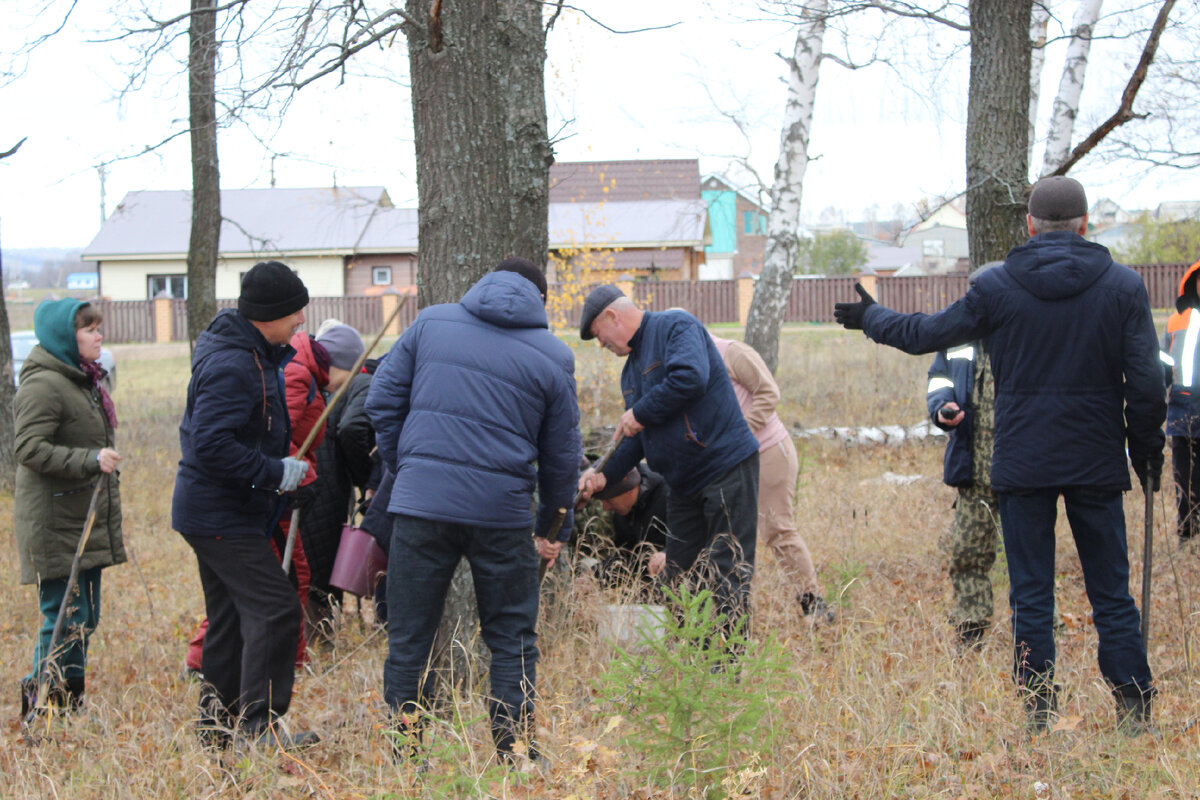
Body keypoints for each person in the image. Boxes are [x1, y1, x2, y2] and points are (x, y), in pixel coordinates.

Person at [833, 176, 1165, 735]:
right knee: (1111, 592)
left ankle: (1039, 711)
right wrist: (1146, 449)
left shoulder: (999, 286)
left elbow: (927, 333)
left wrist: (872, 318)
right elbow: (1148, 384)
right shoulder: (1124, 287)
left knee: (1031, 593)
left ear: (1030, 225)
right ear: (1086, 224)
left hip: (1024, 462)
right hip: (1095, 461)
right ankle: (1133, 708)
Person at [365, 257, 581, 764]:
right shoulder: (553, 355)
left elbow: (381, 402)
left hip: (420, 509)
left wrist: (410, 469)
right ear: (540, 302)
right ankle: (517, 755)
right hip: (501, 516)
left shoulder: (431, 322)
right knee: (511, 638)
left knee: (410, 636)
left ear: (482, 283)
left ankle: (405, 758)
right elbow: (561, 458)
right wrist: (554, 525)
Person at [172, 260, 318, 750]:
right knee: (276, 609)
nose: (301, 320)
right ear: (269, 314)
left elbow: (247, 437)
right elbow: (209, 445)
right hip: (218, 514)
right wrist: (274, 473)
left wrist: (281, 480)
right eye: (294, 312)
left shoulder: (257, 354)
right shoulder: (234, 364)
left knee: (232, 617)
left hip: (228, 508)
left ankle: (217, 730)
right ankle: (258, 730)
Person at [576, 287, 760, 643]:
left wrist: (640, 413)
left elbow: (690, 377)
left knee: (727, 567)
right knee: (677, 571)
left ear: (613, 317)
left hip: (724, 466)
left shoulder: (676, 326)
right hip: (683, 483)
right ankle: (692, 657)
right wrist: (601, 476)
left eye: (599, 336)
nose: (602, 346)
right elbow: (637, 439)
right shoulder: (630, 374)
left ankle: (724, 670)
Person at [15, 298, 124, 720]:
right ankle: (40, 709)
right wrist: (89, 459)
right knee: (61, 617)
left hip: (80, 516)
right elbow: (27, 448)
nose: (99, 336)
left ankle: (68, 706)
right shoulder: (44, 385)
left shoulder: (82, 379)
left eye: (98, 328)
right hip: (54, 522)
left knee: (83, 617)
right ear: (66, 337)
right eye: (90, 330)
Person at [710, 333, 835, 624]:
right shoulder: (689, 362)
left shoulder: (732, 352)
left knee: (777, 528)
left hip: (767, 451)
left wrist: (740, 433)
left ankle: (813, 604)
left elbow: (769, 393)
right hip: (732, 460)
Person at [925, 264, 1002, 650]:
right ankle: (970, 633)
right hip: (972, 471)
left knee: (1030, 561)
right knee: (968, 555)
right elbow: (938, 380)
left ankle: (1040, 633)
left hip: (1020, 472)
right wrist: (942, 408)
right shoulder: (958, 335)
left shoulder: (1022, 331)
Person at [300, 321, 373, 641]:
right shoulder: (342, 387)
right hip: (321, 488)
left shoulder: (319, 387)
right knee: (318, 568)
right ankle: (316, 640)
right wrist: (366, 478)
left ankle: (316, 638)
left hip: (313, 485)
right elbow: (352, 429)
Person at [1160, 257, 1200, 546]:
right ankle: (1187, 533)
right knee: (1184, 480)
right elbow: (1164, 362)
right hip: (1182, 411)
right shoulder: (1176, 321)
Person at [589, 462, 670, 590]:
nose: (605, 507)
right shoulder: (624, 509)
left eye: (608, 500)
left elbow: (696, 534)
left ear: (629, 491)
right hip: (645, 585)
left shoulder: (670, 493)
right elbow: (627, 553)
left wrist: (669, 553)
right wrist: (594, 577)